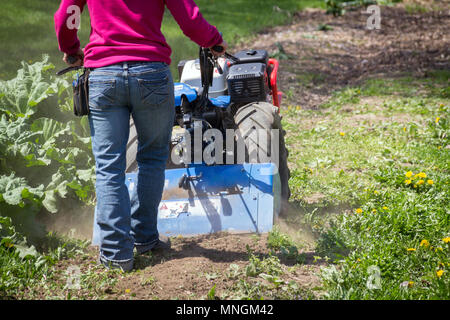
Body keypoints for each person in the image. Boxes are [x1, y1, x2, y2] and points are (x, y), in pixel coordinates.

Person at [54, 0, 227, 272]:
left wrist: (71, 48)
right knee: (153, 157)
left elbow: (66, 15)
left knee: (109, 168)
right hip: (151, 73)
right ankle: (145, 238)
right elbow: (189, 19)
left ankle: (115, 253)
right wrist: (213, 41)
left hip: (104, 75)